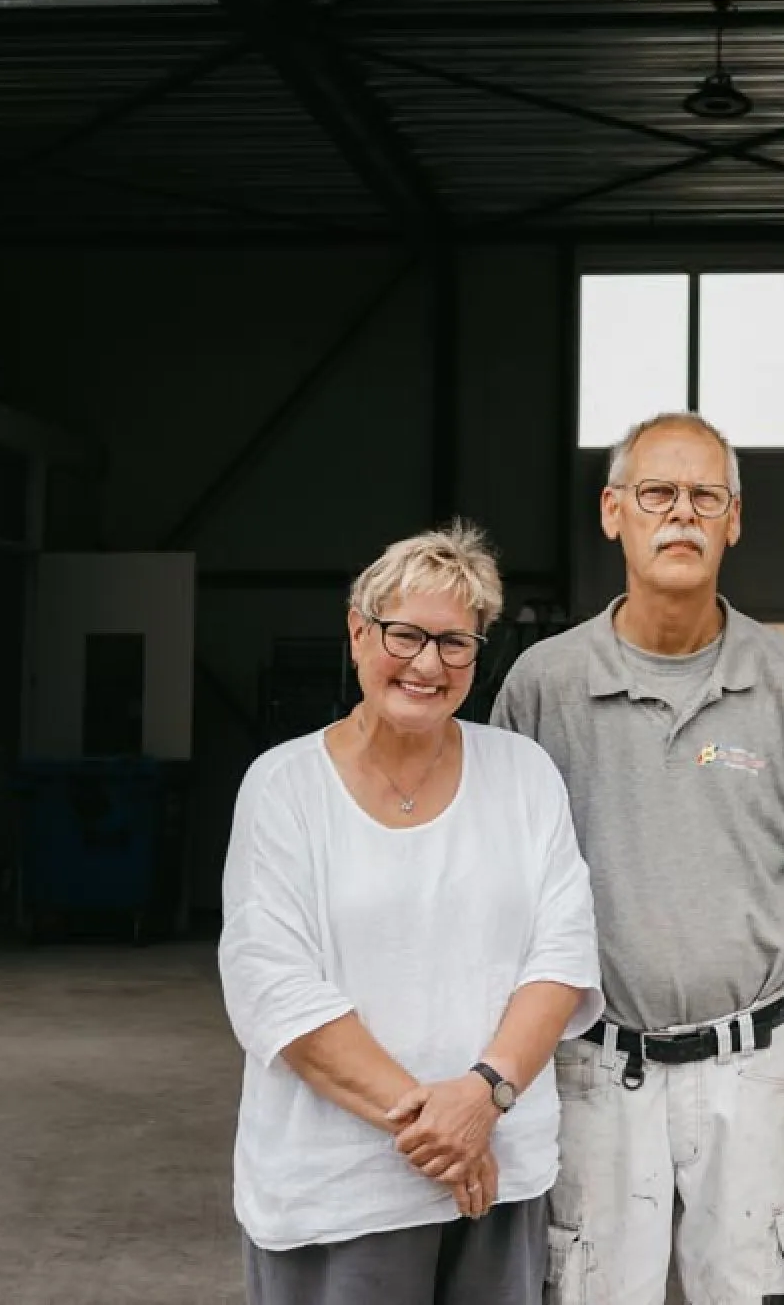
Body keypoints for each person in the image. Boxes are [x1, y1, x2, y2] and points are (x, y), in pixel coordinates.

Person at [490, 412, 784, 1304]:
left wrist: (756, 1030)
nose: (682, 516)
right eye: (658, 493)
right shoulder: (542, 688)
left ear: (735, 520)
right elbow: (502, 899)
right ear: (612, 510)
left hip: (756, 1069)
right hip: (590, 1068)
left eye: (707, 497)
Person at [217, 520, 604, 1305]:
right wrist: (443, 1132)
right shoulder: (284, 787)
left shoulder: (523, 775)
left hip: (499, 1174)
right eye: (405, 635)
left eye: (455, 643)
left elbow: (561, 957)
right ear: (358, 632)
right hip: (341, 1189)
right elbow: (276, 989)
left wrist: (485, 1096)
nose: (428, 664)